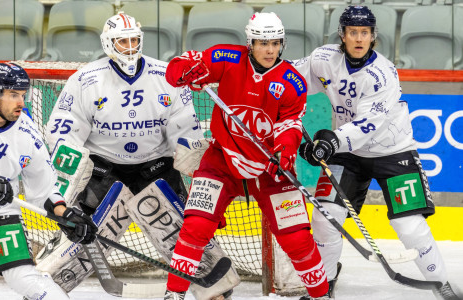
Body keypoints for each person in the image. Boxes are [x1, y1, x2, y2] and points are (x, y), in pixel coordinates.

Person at [292, 5, 460, 300]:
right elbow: (289, 80)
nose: (359, 38)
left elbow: (368, 124)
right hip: (348, 154)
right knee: (325, 216)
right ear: (342, 35)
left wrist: (330, 141)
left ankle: (441, 284)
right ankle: (324, 284)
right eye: (353, 32)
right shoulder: (323, 59)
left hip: (393, 152)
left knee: (408, 225)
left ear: (373, 37)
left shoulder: (383, 74)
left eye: (365, 33)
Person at [163, 12, 331, 300]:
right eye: (263, 43)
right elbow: (176, 69)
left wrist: (285, 153)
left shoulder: (293, 81)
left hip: (269, 166)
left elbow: (290, 125)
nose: (270, 50)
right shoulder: (226, 56)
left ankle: (320, 295)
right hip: (223, 158)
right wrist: (185, 71)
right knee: (196, 225)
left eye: (276, 43)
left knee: (297, 237)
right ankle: (174, 293)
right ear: (250, 42)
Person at [0, 63, 98, 300]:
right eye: (13, 95)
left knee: (22, 276)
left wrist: (64, 213)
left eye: (23, 95)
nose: (21, 103)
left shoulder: (28, 133)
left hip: (0, 210)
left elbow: (44, 186)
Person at [46, 12, 203, 214]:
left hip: (156, 165)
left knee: (185, 232)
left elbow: (186, 130)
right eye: (122, 41)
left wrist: (200, 187)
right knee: (86, 233)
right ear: (108, 43)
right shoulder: (85, 80)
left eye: (134, 40)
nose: (130, 47)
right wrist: (64, 185)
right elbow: (65, 130)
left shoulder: (167, 76)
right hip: (103, 169)